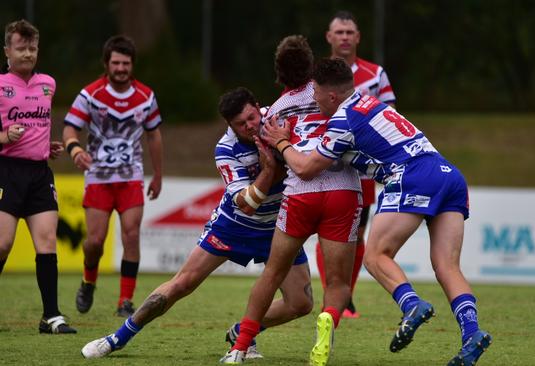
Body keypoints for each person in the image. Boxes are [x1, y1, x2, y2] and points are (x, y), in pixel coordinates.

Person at [261, 58, 493, 366]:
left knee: (375, 256)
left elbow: (304, 169)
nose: (313, 100)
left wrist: (281, 143)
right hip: (448, 173)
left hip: (412, 175)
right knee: (447, 266)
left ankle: (411, 306)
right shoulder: (368, 101)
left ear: (332, 95)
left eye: (316, 93)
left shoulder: (343, 120)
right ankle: (472, 334)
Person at [80, 87, 313, 359]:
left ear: (259, 107)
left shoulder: (278, 122)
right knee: (183, 283)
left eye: (252, 117)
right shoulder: (226, 149)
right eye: (241, 123)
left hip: (277, 226)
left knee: (301, 303)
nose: (251, 126)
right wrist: (270, 171)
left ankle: (242, 332)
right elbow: (247, 205)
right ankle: (117, 338)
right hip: (234, 225)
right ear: (229, 125)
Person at [220, 36, 361, 366]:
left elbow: (272, 160)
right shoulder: (333, 94)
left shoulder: (277, 111)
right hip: (342, 191)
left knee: (271, 273)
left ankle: (239, 347)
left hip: (300, 194)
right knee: (338, 282)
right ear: (312, 65)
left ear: (278, 74)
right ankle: (328, 320)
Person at [62, 35, 163, 317]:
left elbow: (154, 135)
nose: (121, 68)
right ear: (106, 64)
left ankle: (125, 301)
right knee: (94, 242)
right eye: (116, 62)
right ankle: (88, 281)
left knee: (131, 235)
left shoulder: (145, 96)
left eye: (126, 63)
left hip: (131, 176)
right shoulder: (90, 95)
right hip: (98, 178)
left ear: (132, 65)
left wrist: (158, 175)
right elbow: (69, 129)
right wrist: (74, 150)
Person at [315, 10, 398, 319]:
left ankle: (344, 299)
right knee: (324, 234)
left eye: (350, 32)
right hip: (324, 163)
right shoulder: (318, 74)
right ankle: (330, 297)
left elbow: (389, 118)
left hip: (360, 169)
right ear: (329, 37)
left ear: (358, 37)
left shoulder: (376, 75)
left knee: (355, 235)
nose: (345, 37)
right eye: (339, 32)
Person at [0, 19, 75, 334]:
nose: (28, 54)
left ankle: (51, 316)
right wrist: (5, 136)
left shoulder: (48, 83)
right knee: (2, 245)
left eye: (32, 48)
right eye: (21, 48)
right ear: (7, 50)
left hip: (40, 173)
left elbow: (40, 125)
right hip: (7, 171)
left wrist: (47, 147)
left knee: (46, 243)